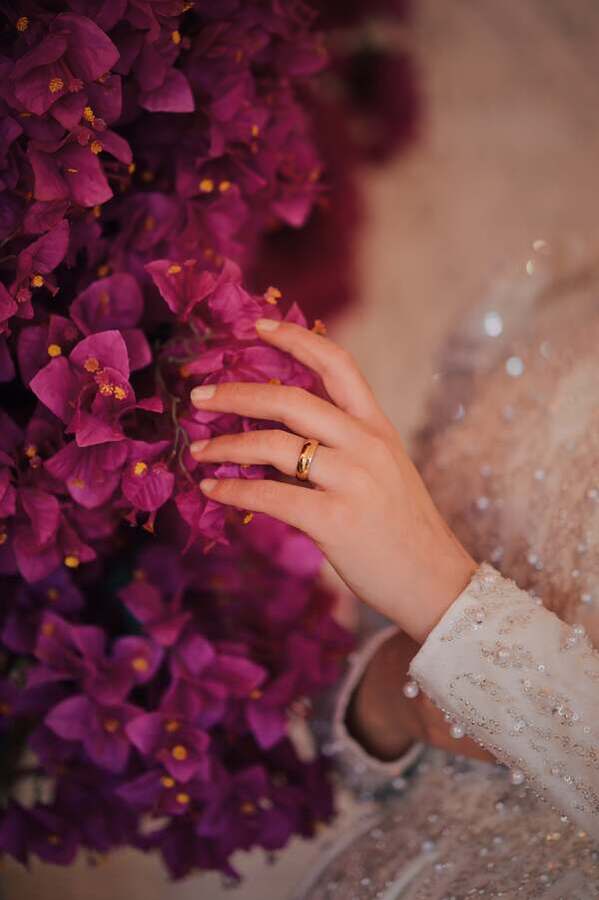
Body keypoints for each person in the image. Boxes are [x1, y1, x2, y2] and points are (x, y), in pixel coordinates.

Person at [189, 243, 599, 899]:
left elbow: (425, 586)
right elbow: (384, 647)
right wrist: (388, 695)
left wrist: (449, 605)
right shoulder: (548, 296)